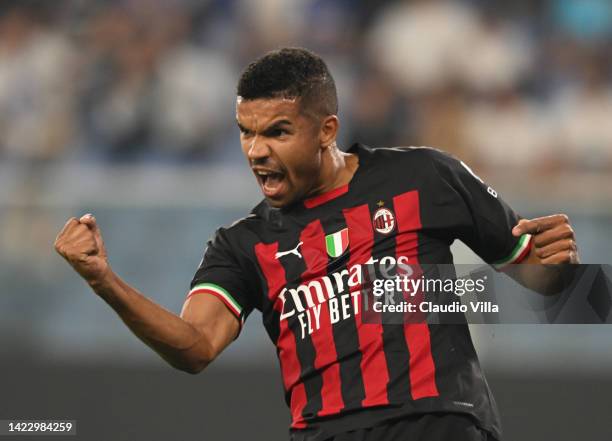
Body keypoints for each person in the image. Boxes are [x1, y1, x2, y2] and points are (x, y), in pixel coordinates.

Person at [54, 48, 579, 441]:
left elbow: (540, 280)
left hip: (437, 421)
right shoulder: (242, 245)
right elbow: (195, 348)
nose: (256, 151)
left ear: (326, 129)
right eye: (245, 132)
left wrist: (557, 266)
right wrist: (104, 280)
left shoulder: (426, 176)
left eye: (277, 132)